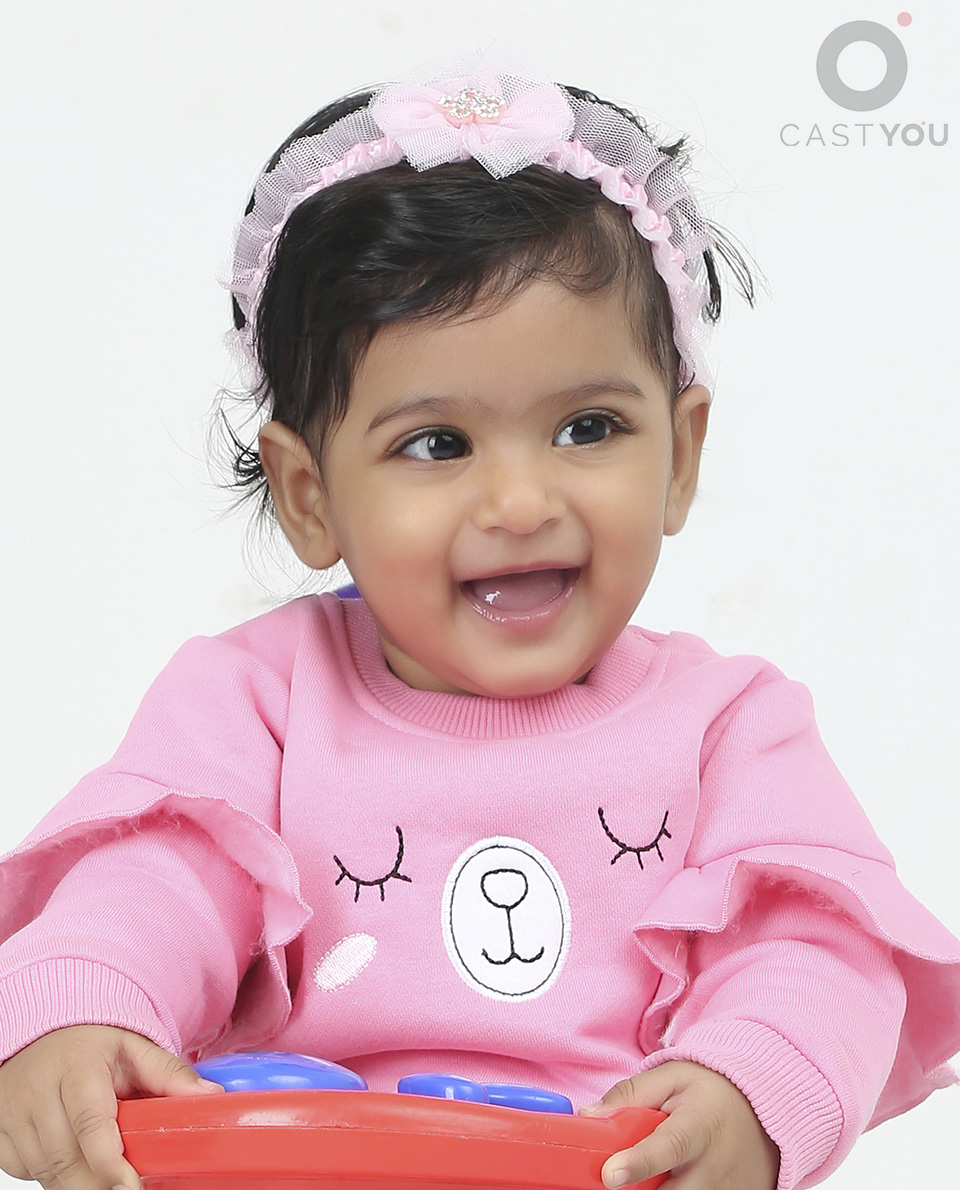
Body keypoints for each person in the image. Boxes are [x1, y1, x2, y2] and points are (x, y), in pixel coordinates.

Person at [0, 45, 956, 1190]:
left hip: (607, 1167)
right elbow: (158, 882)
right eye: (437, 443)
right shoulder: (258, 701)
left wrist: (755, 1080)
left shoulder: (729, 726)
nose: (520, 502)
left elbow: (816, 944)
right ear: (311, 494)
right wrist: (85, 1002)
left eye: (588, 427)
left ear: (681, 453)